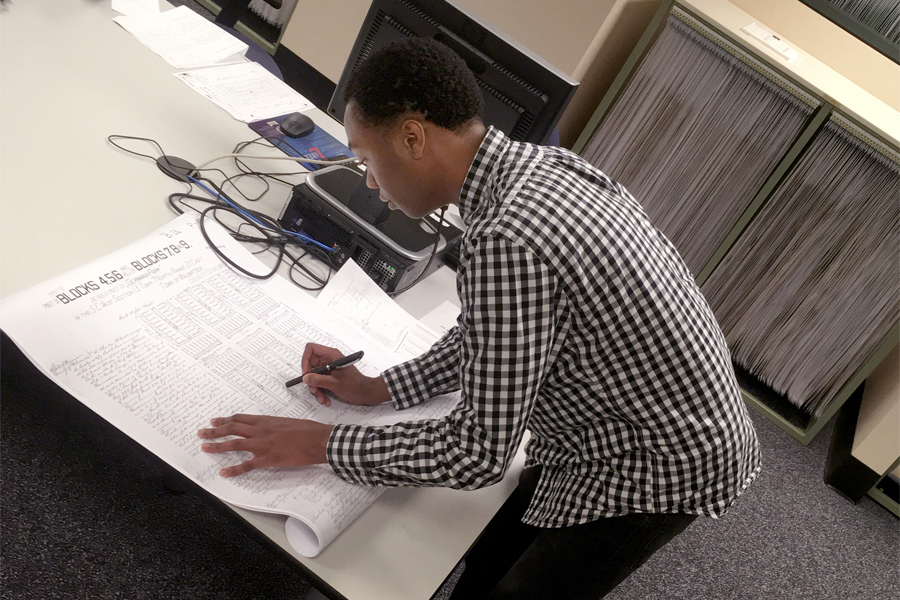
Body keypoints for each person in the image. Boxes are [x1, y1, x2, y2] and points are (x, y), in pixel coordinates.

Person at [198, 37, 761, 599]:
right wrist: (381, 388)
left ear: (413, 137)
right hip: (620, 413)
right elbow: (492, 332)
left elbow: (475, 454)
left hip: (659, 463)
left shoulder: (506, 238)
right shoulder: (536, 169)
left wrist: (322, 444)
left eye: (367, 159)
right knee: (493, 548)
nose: (369, 182)